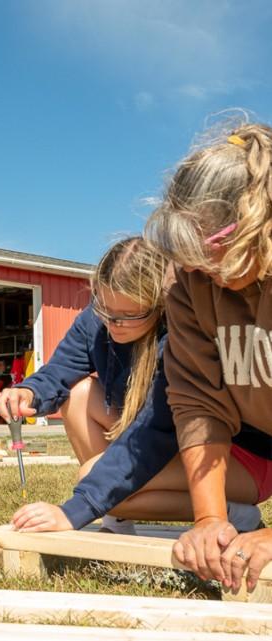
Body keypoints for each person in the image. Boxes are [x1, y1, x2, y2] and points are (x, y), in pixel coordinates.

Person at [0, 237, 265, 537]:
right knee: (79, 394)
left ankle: (234, 513)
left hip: (232, 455)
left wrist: (77, 509)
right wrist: (30, 392)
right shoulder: (96, 319)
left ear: (158, 306)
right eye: (105, 309)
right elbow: (60, 370)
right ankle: (118, 516)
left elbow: (155, 433)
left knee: (93, 477)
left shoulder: (179, 334)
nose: (113, 324)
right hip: (167, 440)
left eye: (128, 316)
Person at [145, 122, 272, 594]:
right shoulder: (189, 283)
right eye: (195, 264)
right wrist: (209, 519)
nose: (208, 277)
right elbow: (199, 404)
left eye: (214, 259)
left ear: (258, 222)